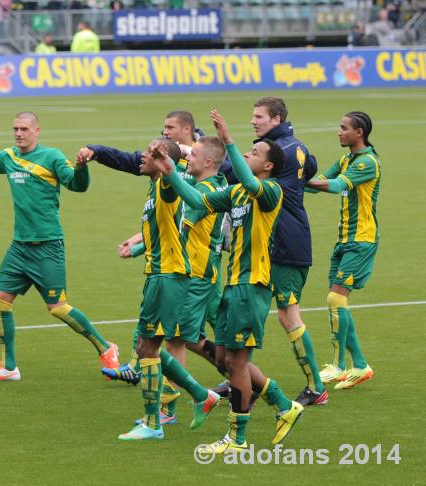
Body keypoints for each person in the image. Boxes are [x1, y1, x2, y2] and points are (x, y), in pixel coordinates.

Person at [0, 111, 119, 382]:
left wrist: (81, 167)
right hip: (20, 247)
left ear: (36, 131)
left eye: (24, 129)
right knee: (0, 301)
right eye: (15, 128)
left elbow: (78, 186)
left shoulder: (51, 157)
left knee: (58, 307)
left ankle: (105, 346)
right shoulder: (9, 157)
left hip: (48, 245)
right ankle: (9, 366)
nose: (19, 133)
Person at [155, 111, 304, 453]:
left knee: (236, 363)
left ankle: (237, 438)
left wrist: (230, 141)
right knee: (223, 360)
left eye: (255, 154)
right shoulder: (236, 194)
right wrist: (168, 172)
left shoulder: (269, 192)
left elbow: (249, 182)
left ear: (267, 167)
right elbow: (196, 201)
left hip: (252, 286)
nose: (248, 157)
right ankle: (284, 404)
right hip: (232, 285)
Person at [85, 138, 221, 440]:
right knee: (149, 347)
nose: (141, 158)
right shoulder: (154, 188)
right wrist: (134, 250)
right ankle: (201, 396)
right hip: (159, 274)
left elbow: (176, 185)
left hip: (170, 276)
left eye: (148, 154)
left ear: (163, 163)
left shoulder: (167, 186)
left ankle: (154, 423)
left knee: (147, 348)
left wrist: (168, 164)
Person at [242, 97, 325, 406]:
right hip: (280, 240)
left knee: (289, 316)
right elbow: (312, 166)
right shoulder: (296, 146)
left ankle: (316, 387)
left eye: (259, 116)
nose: (253, 121)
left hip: (287, 243)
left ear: (275, 120)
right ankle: (240, 377)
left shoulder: (280, 152)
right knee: (253, 309)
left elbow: (245, 177)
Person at [307, 112, 379, 390]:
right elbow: (320, 182)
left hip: (361, 241)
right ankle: (360, 365)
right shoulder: (347, 159)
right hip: (344, 241)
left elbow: (336, 185)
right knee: (338, 304)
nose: (339, 132)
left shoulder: (367, 162)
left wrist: (298, 181)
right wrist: (295, 179)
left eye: (343, 128)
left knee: (336, 299)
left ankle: (337, 366)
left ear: (358, 132)